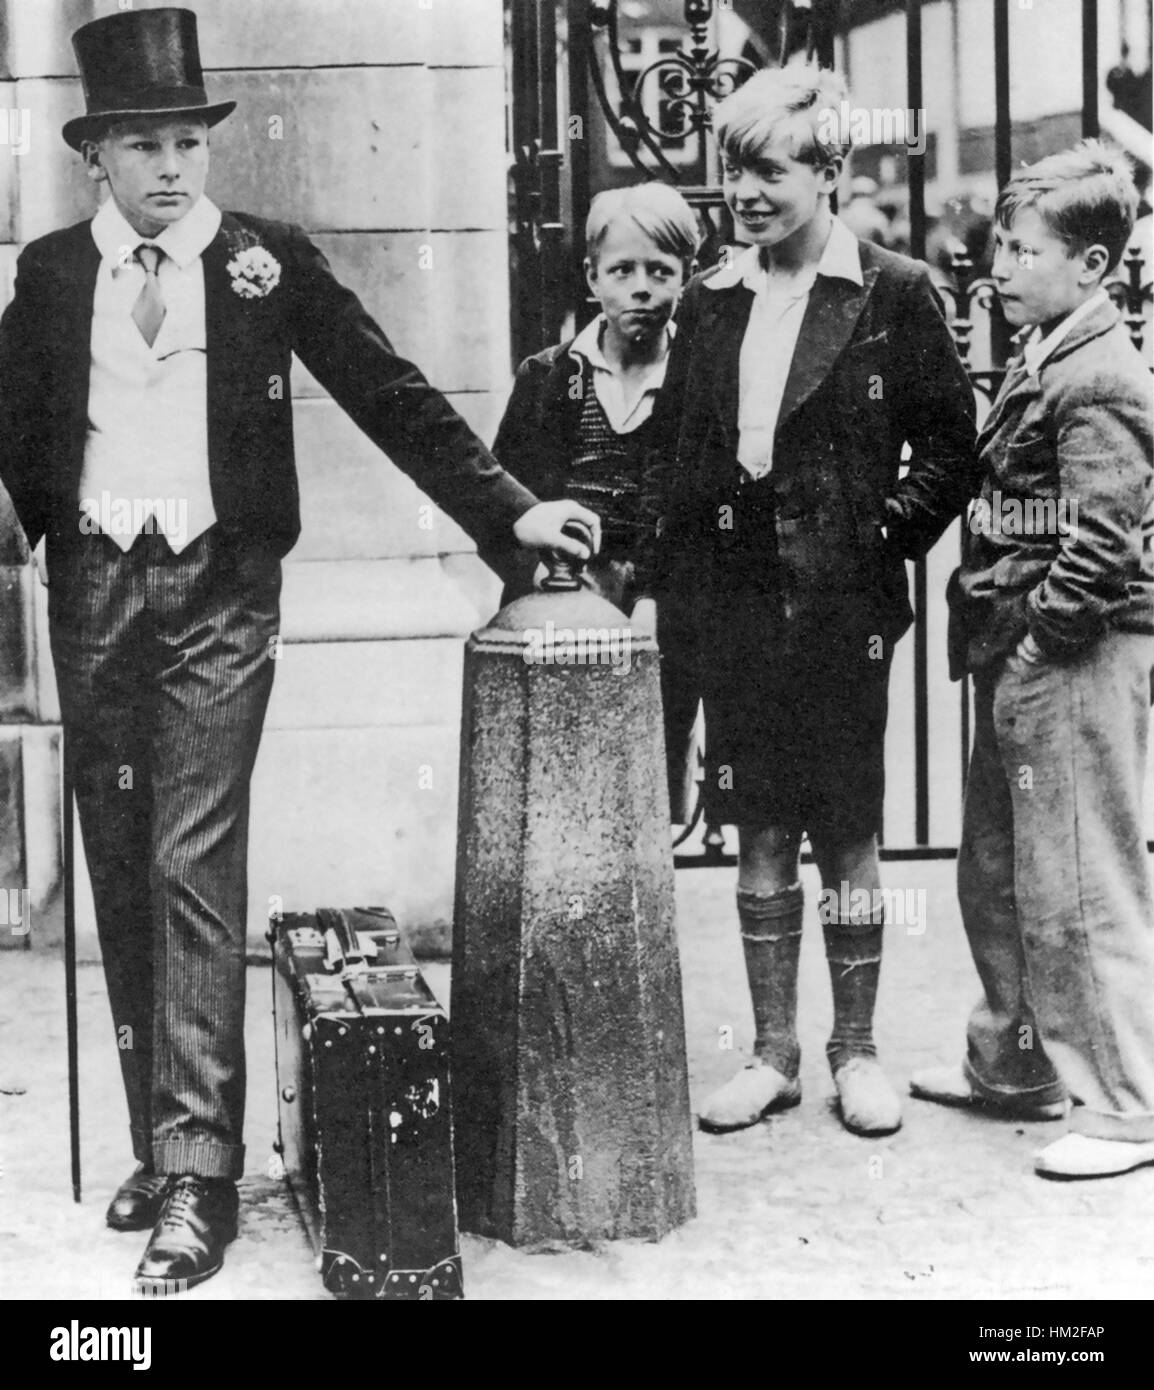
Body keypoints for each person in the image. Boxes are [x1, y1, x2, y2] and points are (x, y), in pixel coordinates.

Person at [0, 7, 597, 1294]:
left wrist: (509, 510)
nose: (171, 167)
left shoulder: (263, 261)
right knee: (119, 865)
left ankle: (199, 1180)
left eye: (186, 141)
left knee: (191, 861)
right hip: (95, 588)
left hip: (222, 592)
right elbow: (16, 422)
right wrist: (43, 529)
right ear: (95, 154)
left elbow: (386, 390)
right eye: (142, 144)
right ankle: (163, 1145)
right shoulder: (51, 274)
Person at [651, 63, 977, 1137]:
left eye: (768, 170)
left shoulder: (891, 291)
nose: (742, 191)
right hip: (735, 605)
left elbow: (947, 449)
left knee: (845, 831)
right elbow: (685, 461)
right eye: (732, 168)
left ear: (829, 172)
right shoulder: (707, 300)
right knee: (754, 830)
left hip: (841, 615)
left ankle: (856, 1050)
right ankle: (772, 1053)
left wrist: (874, 541)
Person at [911, 142, 1154, 1180]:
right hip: (1021, 641)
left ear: (1091, 266)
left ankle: (1122, 1103)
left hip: (1069, 652)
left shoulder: (1097, 367)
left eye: (1019, 249)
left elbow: (1102, 537)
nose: (995, 266)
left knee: (1078, 879)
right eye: (996, 246)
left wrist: (1043, 640)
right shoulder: (1049, 343)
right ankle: (1013, 1063)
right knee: (1001, 867)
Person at [489, 181, 702, 815]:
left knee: (646, 796)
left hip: (659, 620)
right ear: (592, 276)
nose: (642, 287)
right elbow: (503, 508)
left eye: (661, 271)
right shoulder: (549, 377)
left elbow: (707, 511)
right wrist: (538, 579)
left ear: (686, 277)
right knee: (557, 787)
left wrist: (663, 596)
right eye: (622, 270)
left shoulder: (699, 379)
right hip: (558, 610)